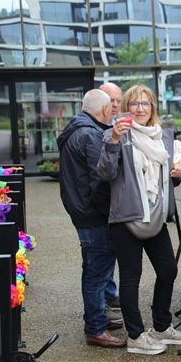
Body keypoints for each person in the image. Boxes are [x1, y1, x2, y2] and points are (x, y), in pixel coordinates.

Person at [97, 85, 181, 355]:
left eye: (145, 104)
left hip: (156, 216)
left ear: (153, 108)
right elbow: (105, 172)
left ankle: (161, 326)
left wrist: (176, 175)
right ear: (127, 108)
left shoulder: (163, 137)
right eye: (135, 104)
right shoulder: (116, 135)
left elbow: (162, 180)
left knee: (168, 270)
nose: (140, 109)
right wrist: (113, 140)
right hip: (126, 218)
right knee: (130, 278)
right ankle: (136, 336)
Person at [57, 89, 125, 348]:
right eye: (111, 106)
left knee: (92, 271)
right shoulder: (91, 134)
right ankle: (96, 328)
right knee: (98, 273)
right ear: (104, 110)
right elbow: (100, 180)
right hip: (94, 216)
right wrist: (110, 212)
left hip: (82, 213)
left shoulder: (76, 130)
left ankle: (94, 319)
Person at [98, 82, 123, 314]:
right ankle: (105, 300)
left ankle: (110, 294)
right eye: (110, 100)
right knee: (101, 255)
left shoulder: (120, 124)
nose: (114, 105)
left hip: (114, 203)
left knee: (110, 252)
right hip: (100, 204)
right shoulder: (95, 128)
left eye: (117, 100)